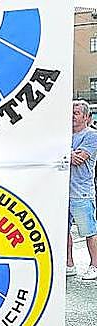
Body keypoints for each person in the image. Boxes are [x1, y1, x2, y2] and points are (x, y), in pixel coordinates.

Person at [67, 100, 97, 280]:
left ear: (86, 117)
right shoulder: (63, 135)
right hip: (63, 192)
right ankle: (69, 264)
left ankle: (94, 265)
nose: (72, 116)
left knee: (88, 231)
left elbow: (80, 158)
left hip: (82, 192)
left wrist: (65, 154)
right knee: (64, 230)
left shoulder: (92, 135)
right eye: (71, 112)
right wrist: (68, 154)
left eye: (76, 113)